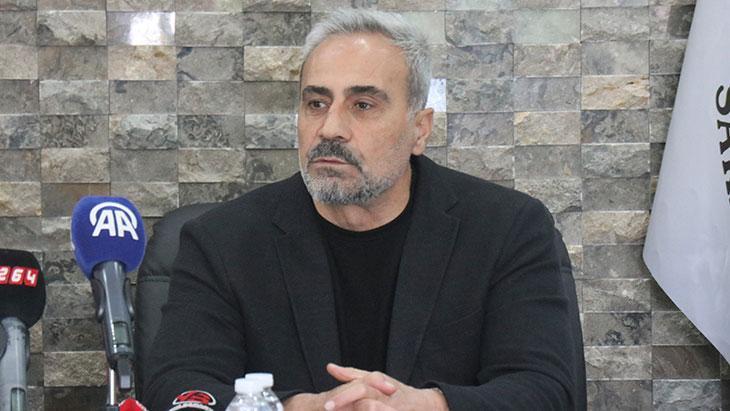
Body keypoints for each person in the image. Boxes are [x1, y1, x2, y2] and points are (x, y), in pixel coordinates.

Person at [144, 9, 580, 411]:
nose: (330, 128)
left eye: (363, 105)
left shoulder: (507, 229)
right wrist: (297, 408)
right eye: (316, 104)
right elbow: (175, 387)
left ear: (419, 129)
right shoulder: (224, 240)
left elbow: (546, 389)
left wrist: (428, 406)